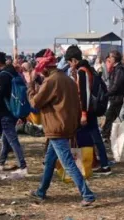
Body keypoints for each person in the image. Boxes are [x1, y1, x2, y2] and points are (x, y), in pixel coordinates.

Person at [28, 50, 95, 206]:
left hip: (56, 128)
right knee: (50, 161)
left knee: (67, 163)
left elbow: (35, 103)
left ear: (44, 68)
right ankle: (41, 191)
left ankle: (87, 195)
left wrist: (31, 86)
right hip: (65, 126)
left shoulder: (52, 81)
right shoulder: (67, 79)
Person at [65, 45, 112, 175]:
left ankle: (101, 164)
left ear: (74, 60)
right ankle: (98, 162)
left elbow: (84, 93)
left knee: (89, 136)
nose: (70, 65)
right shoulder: (88, 69)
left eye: (69, 62)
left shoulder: (82, 70)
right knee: (92, 136)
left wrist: (84, 113)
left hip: (87, 110)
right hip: (90, 109)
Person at [0, 51, 26, 172]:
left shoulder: (2, 77)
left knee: (12, 140)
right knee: (5, 138)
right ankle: (1, 162)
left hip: (5, 111)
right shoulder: (14, 73)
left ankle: (23, 165)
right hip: (14, 109)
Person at [101, 50, 124, 141]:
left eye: (111, 57)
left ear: (115, 59)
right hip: (115, 98)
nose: (109, 58)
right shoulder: (116, 69)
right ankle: (106, 135)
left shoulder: (119, 70)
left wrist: (106, 94)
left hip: (117, 99)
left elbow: (116, 86)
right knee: (110, 118)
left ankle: (105, 136)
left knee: (109, 117)